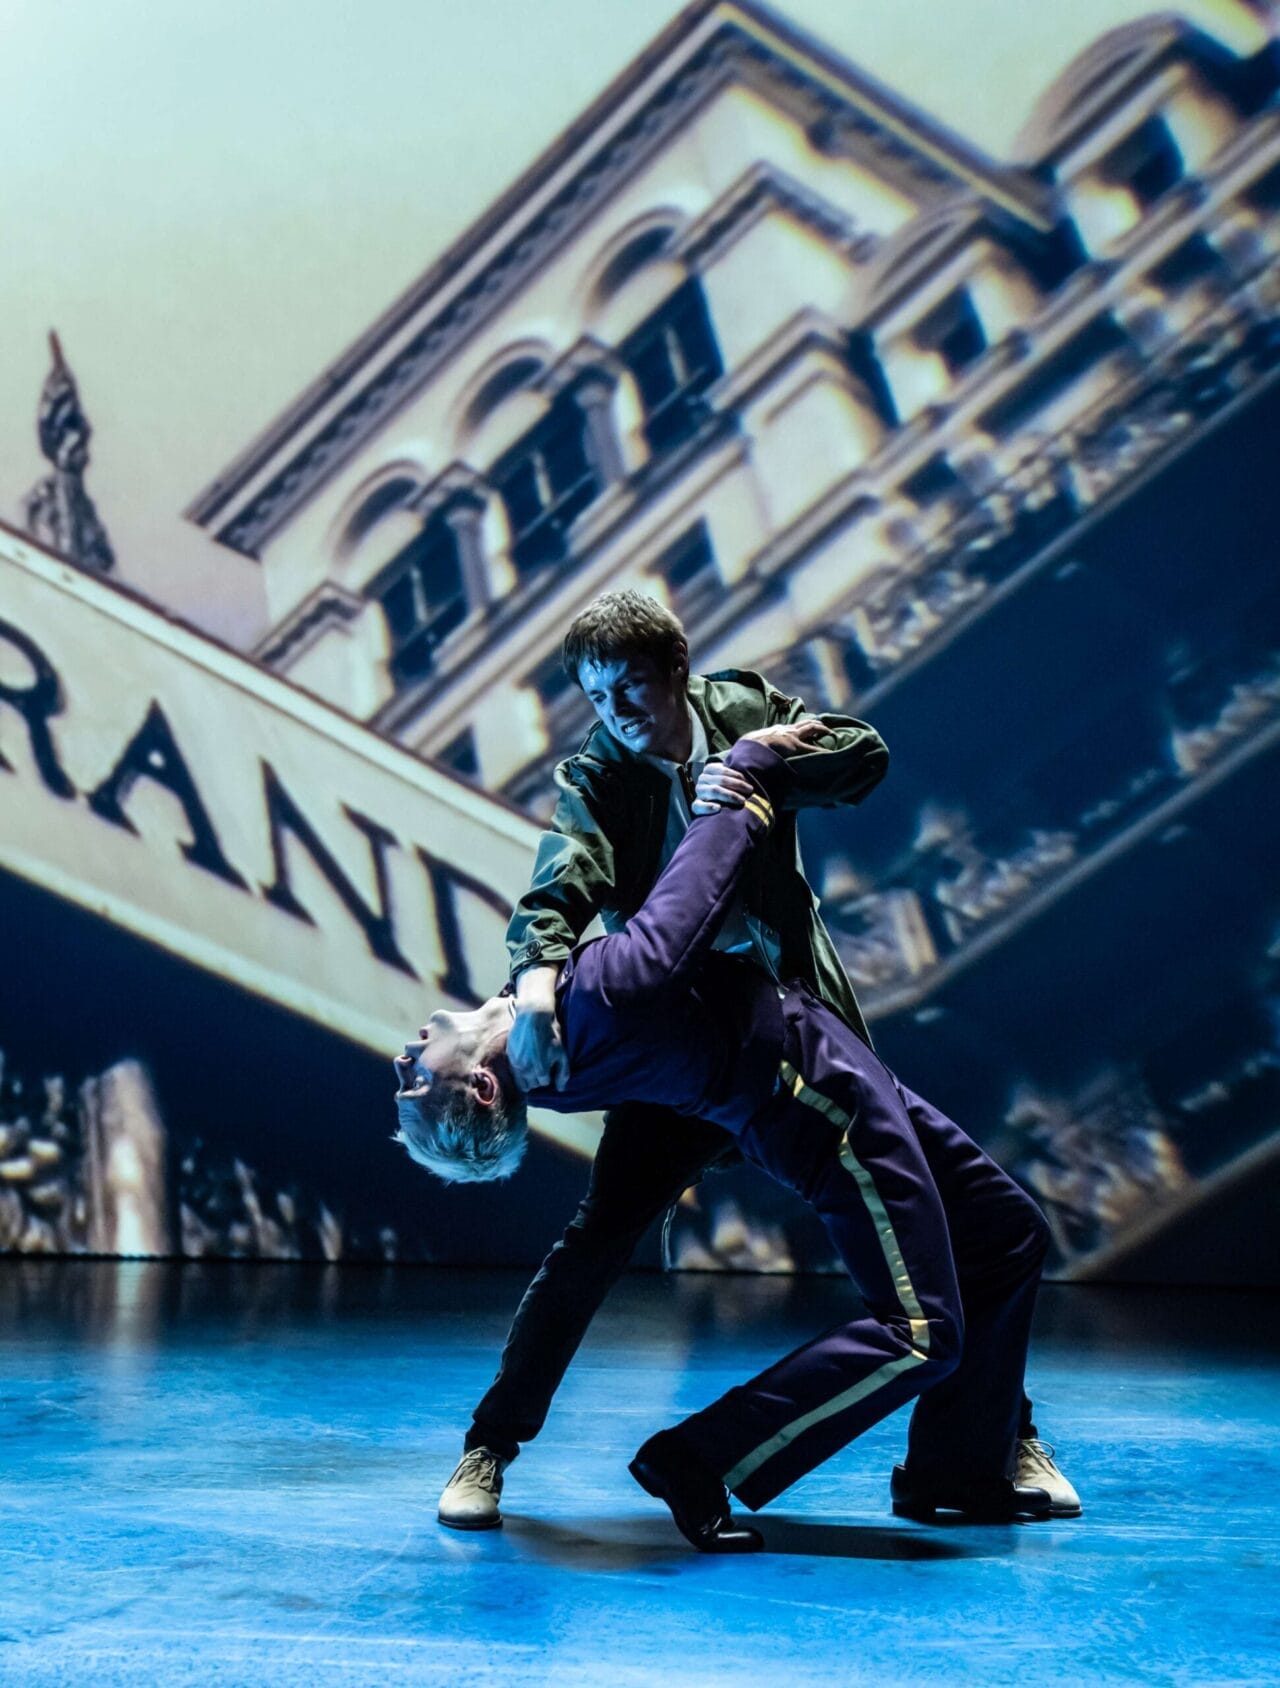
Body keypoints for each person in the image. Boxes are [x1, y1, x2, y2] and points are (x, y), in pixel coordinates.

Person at [430, 591, 1078, 1530]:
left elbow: (865, 753)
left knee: (967, 1225)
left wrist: (762, 768)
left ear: (677, 673)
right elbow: (560, 881)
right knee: (597, 1243)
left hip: (793, 1031)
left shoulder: (744, 714)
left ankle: (990, 1437)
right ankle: (489, 1449)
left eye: (632, 688)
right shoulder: (596, 779)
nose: (616, 712)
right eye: (596, 696)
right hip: (682, 1057)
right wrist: (534, 975)